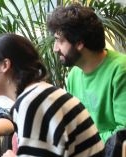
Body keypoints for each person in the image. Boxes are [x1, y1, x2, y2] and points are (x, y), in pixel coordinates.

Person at [47, 3, 126, 142]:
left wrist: (83, 143)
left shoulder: (120, 70)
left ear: (79, 43)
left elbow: (123, 134)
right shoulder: (74, 76)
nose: (55, 48)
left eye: (60, 41)